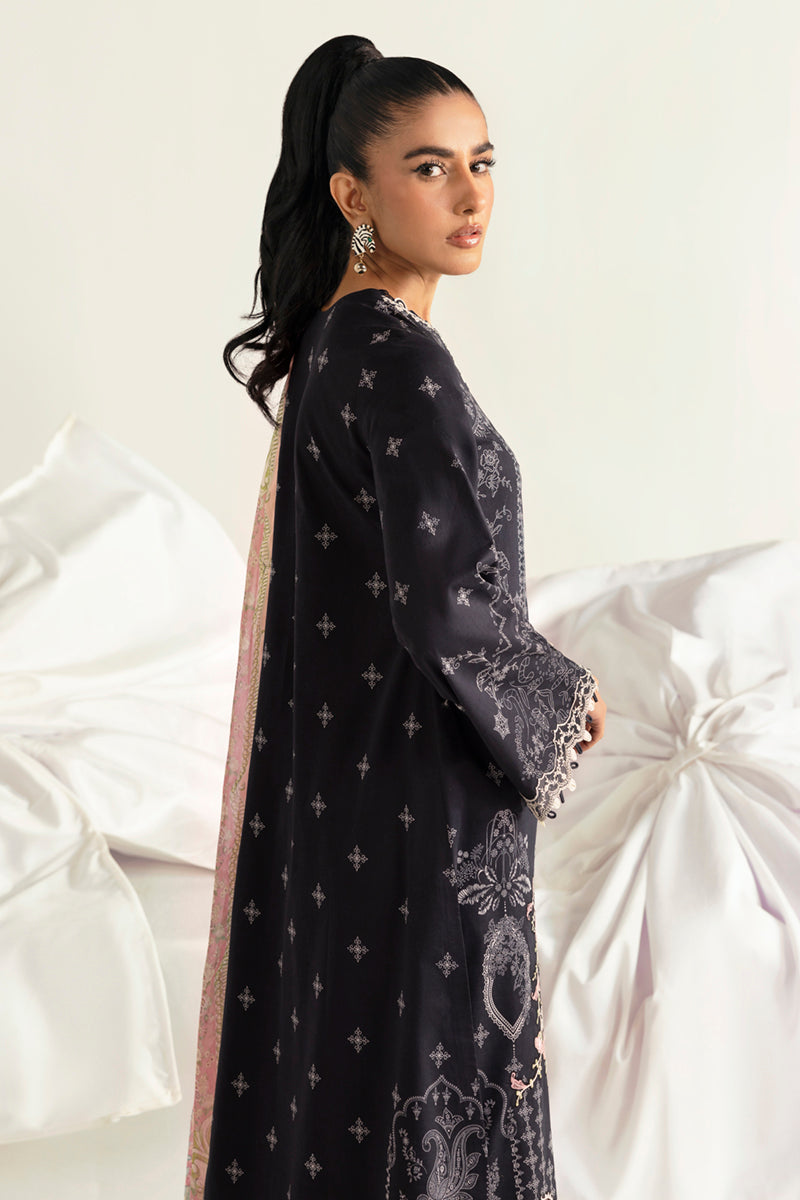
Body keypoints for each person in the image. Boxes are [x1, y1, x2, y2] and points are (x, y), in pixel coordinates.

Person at [185, 33, 607, 1200]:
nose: (470, 195)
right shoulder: (393, 358)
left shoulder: (337, 343)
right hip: (425, 810)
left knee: (352, 1089)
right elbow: (447, 606)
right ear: (352, 195)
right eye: (429, 167)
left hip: (357, 798)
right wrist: (564, 697)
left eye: (482, 161)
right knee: (436, 1088)